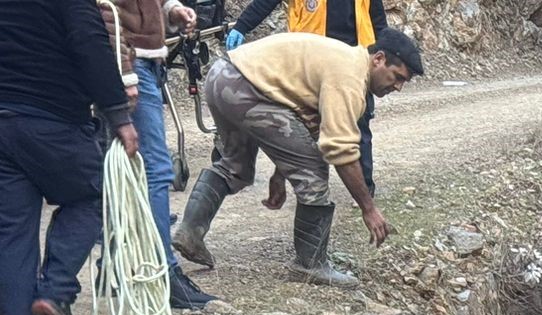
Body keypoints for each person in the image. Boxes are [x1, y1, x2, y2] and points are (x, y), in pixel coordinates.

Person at [0, 0, 140, 315]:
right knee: (98, 193)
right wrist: (119, 115)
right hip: (47, 114)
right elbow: (89, 40)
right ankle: (55, 292)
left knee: (10, 236)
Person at [171, 28, 419, 286]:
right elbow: (339, 149)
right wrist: (369, 209)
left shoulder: (344, 62)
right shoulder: (349, 76)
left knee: (235, 165)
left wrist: (281, 175)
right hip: (246, 86)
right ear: (378, 59)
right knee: (314, 170)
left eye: (404, 82)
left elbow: (304, 127)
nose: (398, 87)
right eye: (397, 76)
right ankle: (310, 265)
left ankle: (190, 232)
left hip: (223, 76)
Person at [107, 0, 219, 309]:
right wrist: (127, 75)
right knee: (155, 169)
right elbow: (105, 13)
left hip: (141, 62)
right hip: (131, 64)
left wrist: (172, 11)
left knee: (124, 171)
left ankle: (118, 266)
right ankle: (163, 274)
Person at [224, 0, 387, 194]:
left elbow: (378, 19)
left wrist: (386, 53)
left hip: (355, 66)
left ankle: (365, 189)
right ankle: (308, 190)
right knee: (302, 127)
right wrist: (242, 26)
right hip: (311, 67)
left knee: (360, 126)